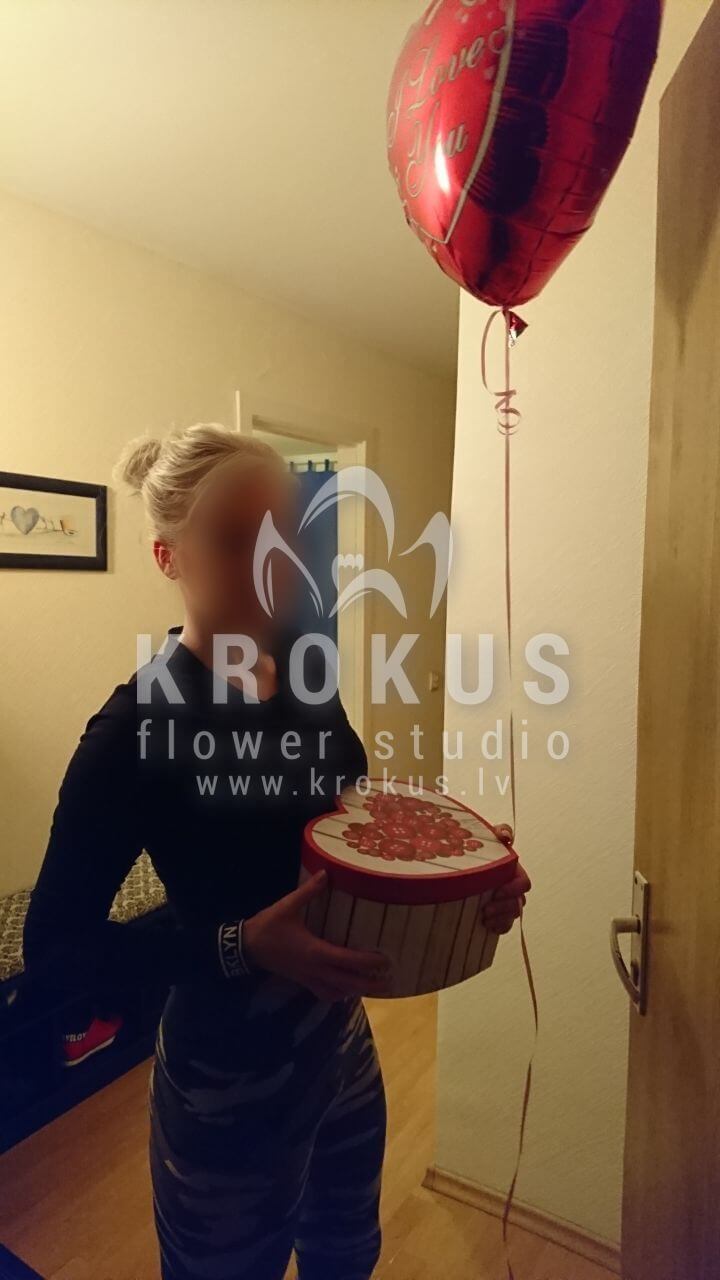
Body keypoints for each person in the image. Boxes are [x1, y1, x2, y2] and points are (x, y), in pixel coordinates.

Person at [23, 424, 531, 1280]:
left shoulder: (305, 671)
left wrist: (461, 871)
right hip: (225, 1088)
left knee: (347, 1253)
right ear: (168, 557)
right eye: (235, 539)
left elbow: (350, 825)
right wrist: (241, 944)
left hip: (342, 1049)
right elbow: (54, 950)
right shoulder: (133, 729)